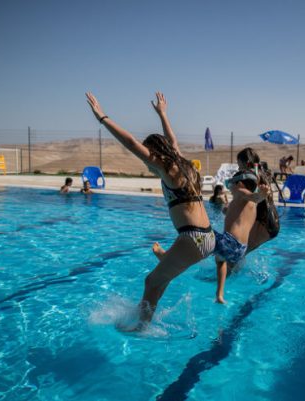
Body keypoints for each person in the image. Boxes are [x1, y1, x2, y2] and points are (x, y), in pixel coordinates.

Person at [86, 90, 215, 326]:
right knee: (160, 279)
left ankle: (141, 328)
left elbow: (131, 143)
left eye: (148, 157)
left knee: (150, 281)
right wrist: (163, 114)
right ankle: (145, 316)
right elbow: (173, 140)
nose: (147, 164)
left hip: (194, 238)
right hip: (206, 237)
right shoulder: (183, 164)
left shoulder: (167, 168)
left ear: (154, 153)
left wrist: (102, 118)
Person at [214, 148, 269, 304]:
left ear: (238, 183)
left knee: (201, 236)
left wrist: (261, 196)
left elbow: (253, 195)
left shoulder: (239, 190)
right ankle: (221, 291)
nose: (229, 187)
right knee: (222, 260)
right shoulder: (249, 204)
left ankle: (219, 294)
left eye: (230, 183)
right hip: (241, 248)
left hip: (229, 241)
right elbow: (253, 198)